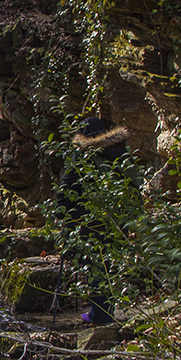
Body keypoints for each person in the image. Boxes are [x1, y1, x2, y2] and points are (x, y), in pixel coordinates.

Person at [57, 116, 132, 325]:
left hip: (89, 222)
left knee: (95, 267)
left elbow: (65, 192)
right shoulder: (121, 153)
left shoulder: (83, 155)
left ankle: (100, 315)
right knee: (110, 265)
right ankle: (107, 311)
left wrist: (63, 218)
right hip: (117, 220)